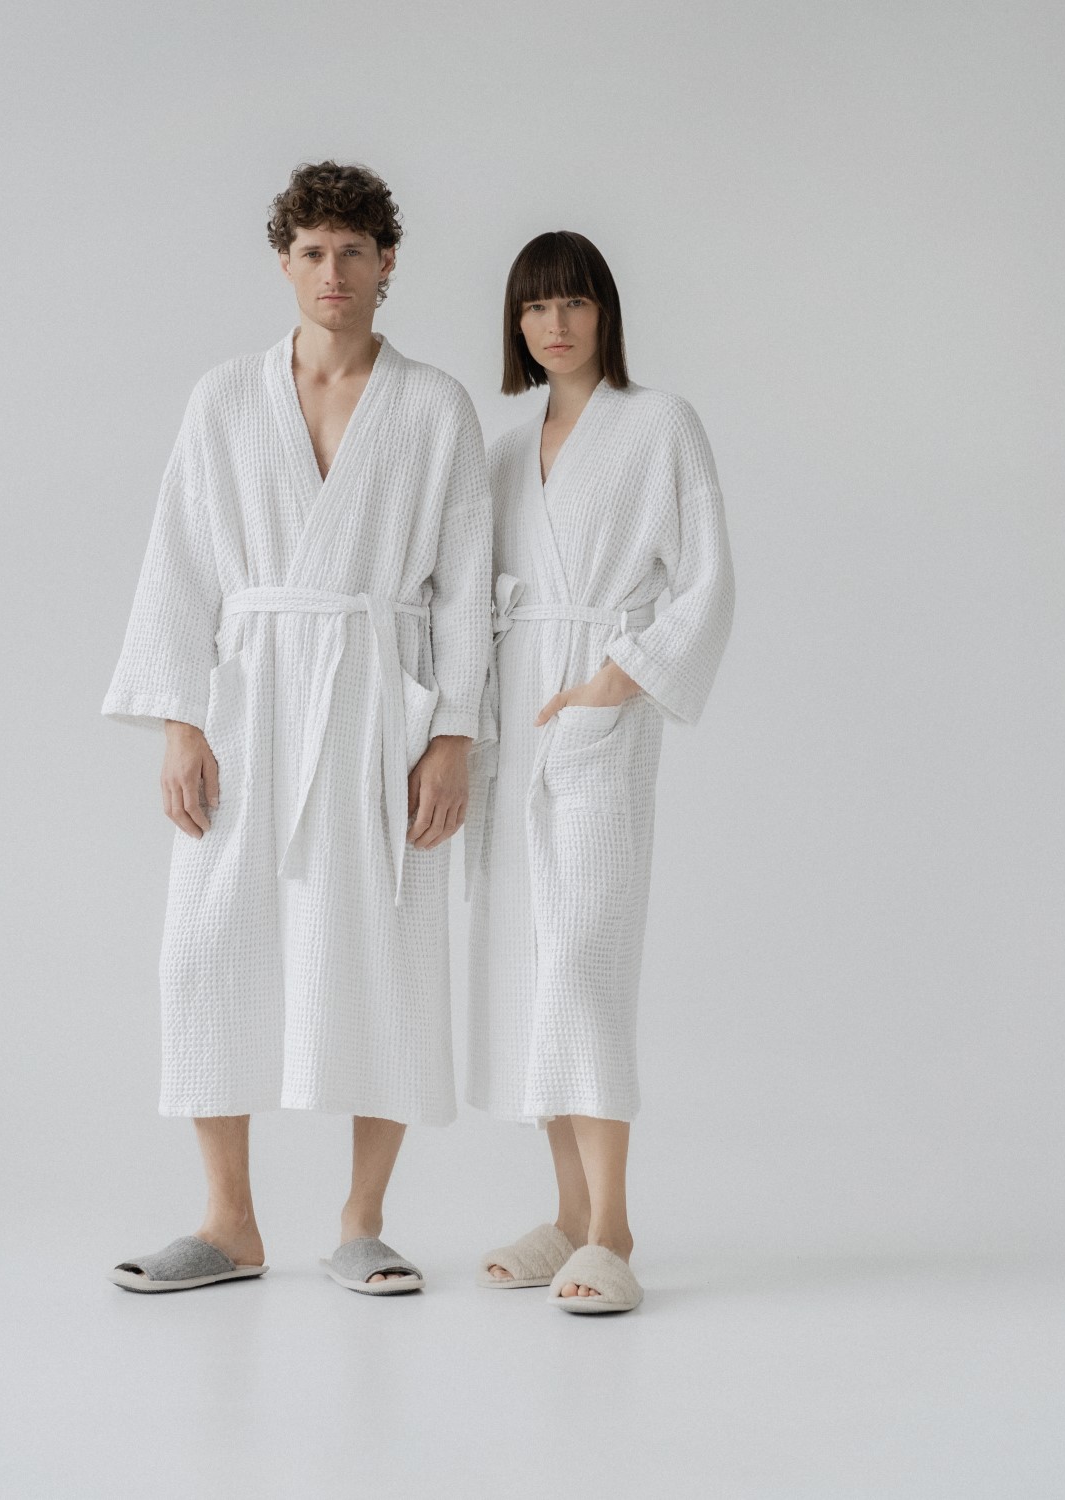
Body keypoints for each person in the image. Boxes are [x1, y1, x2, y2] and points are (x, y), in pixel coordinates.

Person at [101, 161, 491, 1295]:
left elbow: (466, 585)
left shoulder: (434, 407)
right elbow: (179, 562)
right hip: (249, 695)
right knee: (208, 946)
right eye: (313, 252)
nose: (333, 272)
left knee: (388, 947)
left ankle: (363, 1221)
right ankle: (229, 1223)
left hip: (378, 700)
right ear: (285, 262)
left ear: (386, 262)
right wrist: (181, 722)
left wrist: (453, 735)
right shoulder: (225, 398)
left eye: (353, 251)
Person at [464, 231, 735, 1313]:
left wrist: (617, 681)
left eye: (573, 303)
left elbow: (707, 579)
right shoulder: (502, 451)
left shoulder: (660, 423)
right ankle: (568, 1215)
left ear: (605, 313)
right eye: (535, 308)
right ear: (516, 326)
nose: (555, 325)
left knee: (586, 961)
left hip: (598, 715)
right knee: (532, 968)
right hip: (517, 719)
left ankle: (614, 1227)